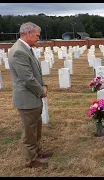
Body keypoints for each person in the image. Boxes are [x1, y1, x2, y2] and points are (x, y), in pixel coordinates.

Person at [8, 22, 53, 168]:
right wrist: (42, 90)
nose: (38, 39)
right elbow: (27, 78)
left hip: (32, 98)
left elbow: (35, 72)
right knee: (29, 131)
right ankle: (31, 160)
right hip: (27, 99)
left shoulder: (26, 49)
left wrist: (43, 83)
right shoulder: (19, 51)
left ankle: (37, 152)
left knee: (36, 127)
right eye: (37, 36)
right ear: (28, 33)